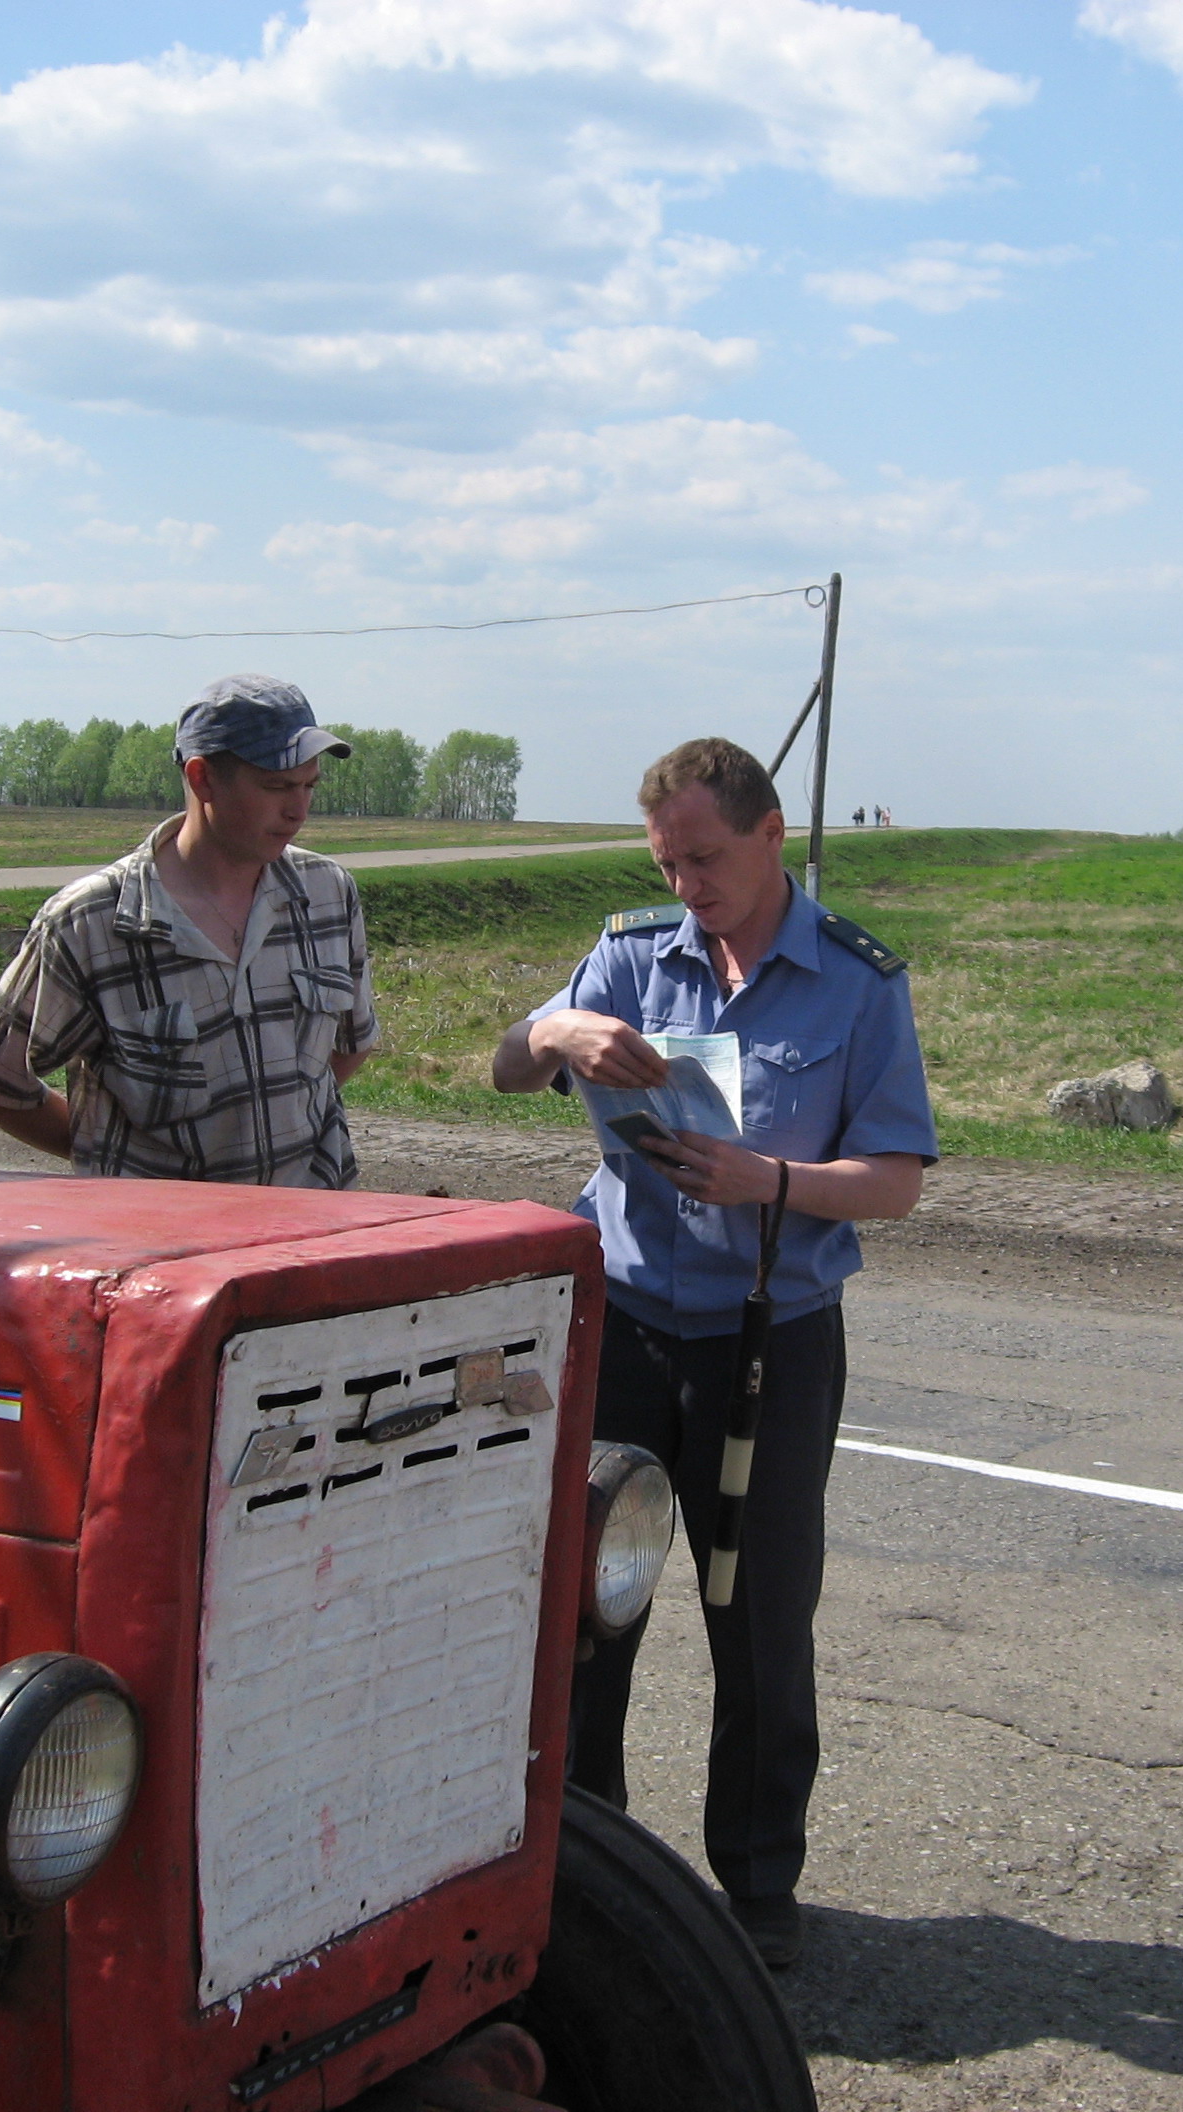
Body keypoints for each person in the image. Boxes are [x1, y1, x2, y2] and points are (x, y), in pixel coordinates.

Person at [490, 736, 936, 1968]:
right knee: (584, 1619)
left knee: (756, 1620)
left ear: (770, 835)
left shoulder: (853, 982)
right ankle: (583, 1875)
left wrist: (772, 1179)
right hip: (624, 1332)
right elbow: (504, 1065)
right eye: (667, 861)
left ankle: (755, 1890)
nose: (687, 883)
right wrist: (565, 1031)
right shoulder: (632, 951)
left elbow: (893, 1181)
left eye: (706, 858)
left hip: (768, 1346)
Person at [0, 674, 378, 1184]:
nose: (298, 809)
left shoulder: (328, 893)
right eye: (276, 786)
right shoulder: (91, 923)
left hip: (313, 1231)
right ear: (202, 779)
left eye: (309, 786)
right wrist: (110, 1157)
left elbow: (351, 1042)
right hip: (167, 1251)